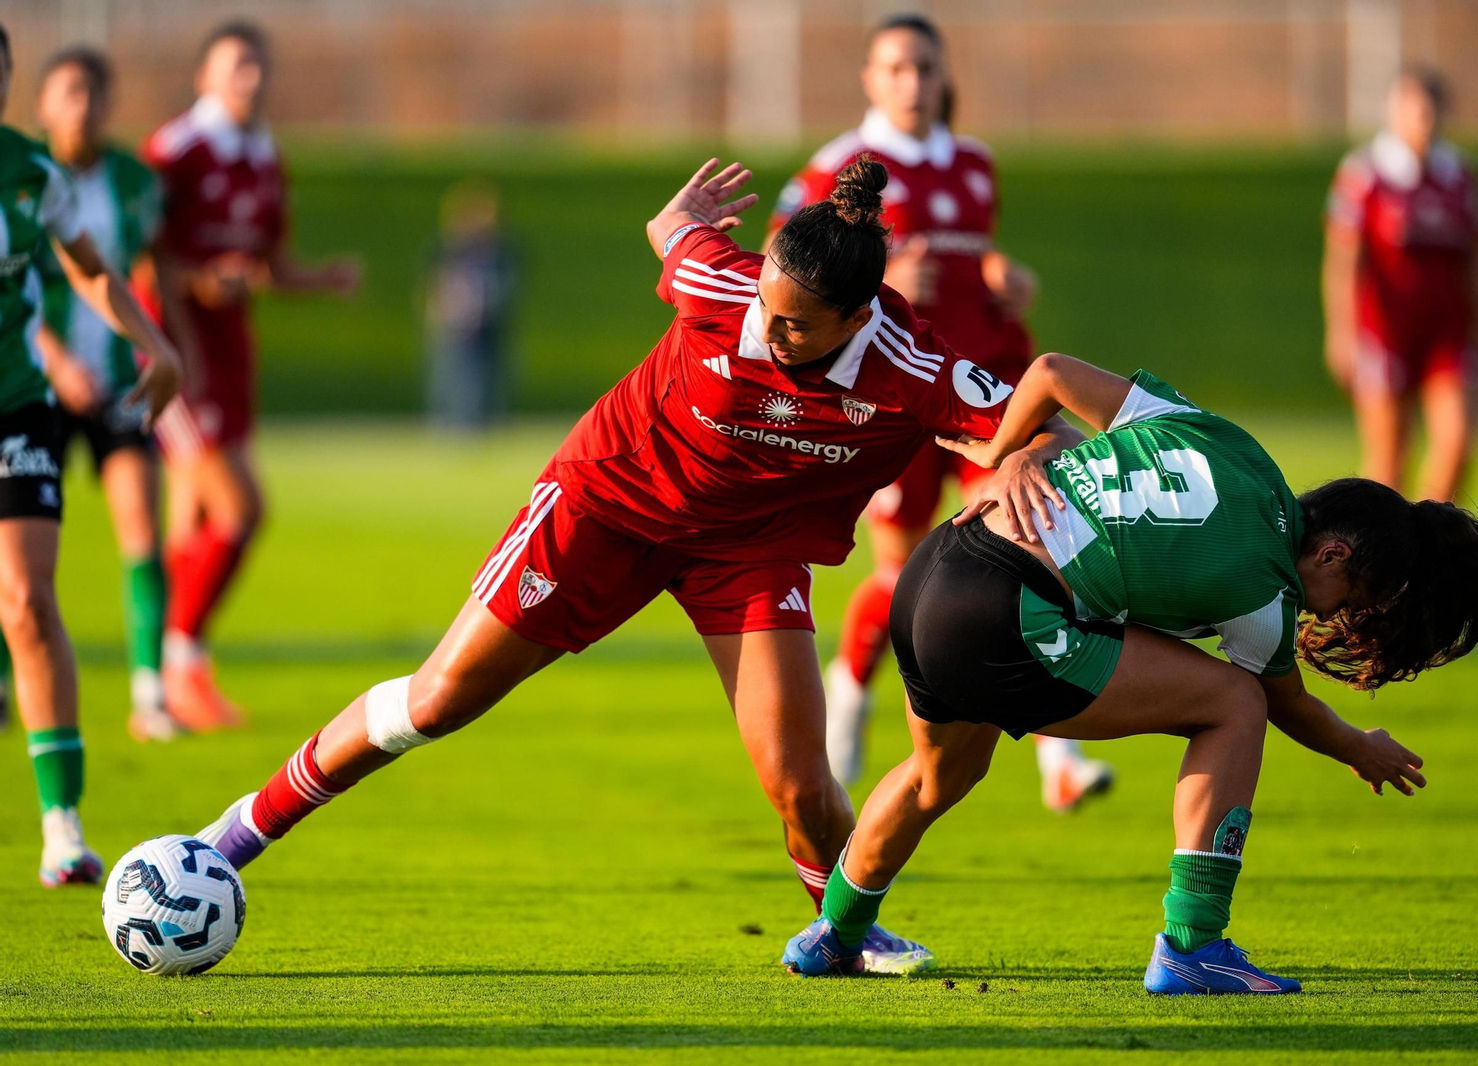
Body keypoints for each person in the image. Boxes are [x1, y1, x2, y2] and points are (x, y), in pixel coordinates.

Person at [193, 156, 1077, 974]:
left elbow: (1038, 423)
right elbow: (674, 234)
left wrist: (1030, 449)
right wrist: (679, 215)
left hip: (749, 546)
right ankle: (232, 839)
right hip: (607, 503)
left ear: (857, 316)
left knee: (802, 786)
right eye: (764, 305)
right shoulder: (720, 286)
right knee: (438, 701)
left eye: (796, 325)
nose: (767, 330)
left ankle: (842, 932)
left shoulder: (905, 364)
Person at [782, 356, 1478, 992]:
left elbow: (1050, 373)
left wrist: (1003, 456)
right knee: (1234, 701)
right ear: (1332, 555)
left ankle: (833, 935)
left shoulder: (1229, 442)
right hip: (1004, 613)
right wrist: (1359, 746)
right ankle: (1194, 946)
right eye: (1352, 597)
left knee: (934, 778)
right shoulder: (1267, 588)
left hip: (934, 571)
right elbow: (1286, 704)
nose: (1337, 617)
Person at [766, 12, 1112, 809]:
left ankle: (1057, 756)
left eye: (925, 68)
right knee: (901, 572)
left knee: (1032, 549)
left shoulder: (976, 165)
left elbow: (973, 257)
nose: (913, 84)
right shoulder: (835, 168)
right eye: (896, 69)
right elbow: (785, 275)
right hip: (893, 398)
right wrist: (884, 290)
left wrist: (1004, 278)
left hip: (984, 388)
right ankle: (850, 688)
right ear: (869, 79)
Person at [0, 23, 183, 885]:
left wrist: (159, 347)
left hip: (18, 407)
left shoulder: (30, 177)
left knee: (29, 603)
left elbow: (92, 270)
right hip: (47, 392)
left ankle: (62, 825)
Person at [144, 21, 361, 731]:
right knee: (241, 508)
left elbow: (269, 267)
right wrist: (203, 287)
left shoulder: (267, 158)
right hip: (175, 357)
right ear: (204, 76)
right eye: (237, 66)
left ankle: (160, 688)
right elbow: (144, 260)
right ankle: (182, 667)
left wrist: (324, 280)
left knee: (196, 516)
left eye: (259, 67)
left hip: (231, 353)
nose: (251, 79)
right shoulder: (175, 151)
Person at [1323, 66, 1478, 503]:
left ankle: (1429, 543)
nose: (1423, 120)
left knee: (1458, 441)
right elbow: (1344, 260)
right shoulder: (1366, 174)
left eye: (1430, 110)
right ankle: (1382, 557)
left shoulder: (1461, 177)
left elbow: (1477, 262)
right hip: (1385, 332)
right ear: (1393, 111)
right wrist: (1341, 332)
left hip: (1447, 332)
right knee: (1388, 460)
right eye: (1412, 109)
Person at [423, 179, 518, 431]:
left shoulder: (499, 249)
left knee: (488, 372)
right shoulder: (448, 248)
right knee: (451, 372)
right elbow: (435, 282)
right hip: (455, 321)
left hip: (488, 320)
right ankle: (450, 419)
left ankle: (484, 418)